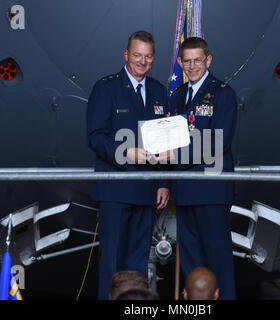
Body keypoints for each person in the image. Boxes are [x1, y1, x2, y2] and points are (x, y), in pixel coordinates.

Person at [86, 30, 171, 300]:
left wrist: (164, 183)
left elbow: (165, 139)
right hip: (115, 190)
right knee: (111, 264)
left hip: (147, 192)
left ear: (153, 58)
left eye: (147, 57)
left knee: (138, 267)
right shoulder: (106, 88)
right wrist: (126, 152)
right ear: (126, 55)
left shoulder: (159, 91)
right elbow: (95, 137)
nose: (142, 62)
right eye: (137, 55)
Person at [169, 37, 237, 299]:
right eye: (187, 60)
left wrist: (172, 155)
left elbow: (218, 142)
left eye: (198, 60)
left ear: (208, 60)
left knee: (217, 261)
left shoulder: (223, 94)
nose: (192, 65)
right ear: (180, 63)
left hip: (211, 191)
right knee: (191, 262)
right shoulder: (176, 97)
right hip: (184, 191)